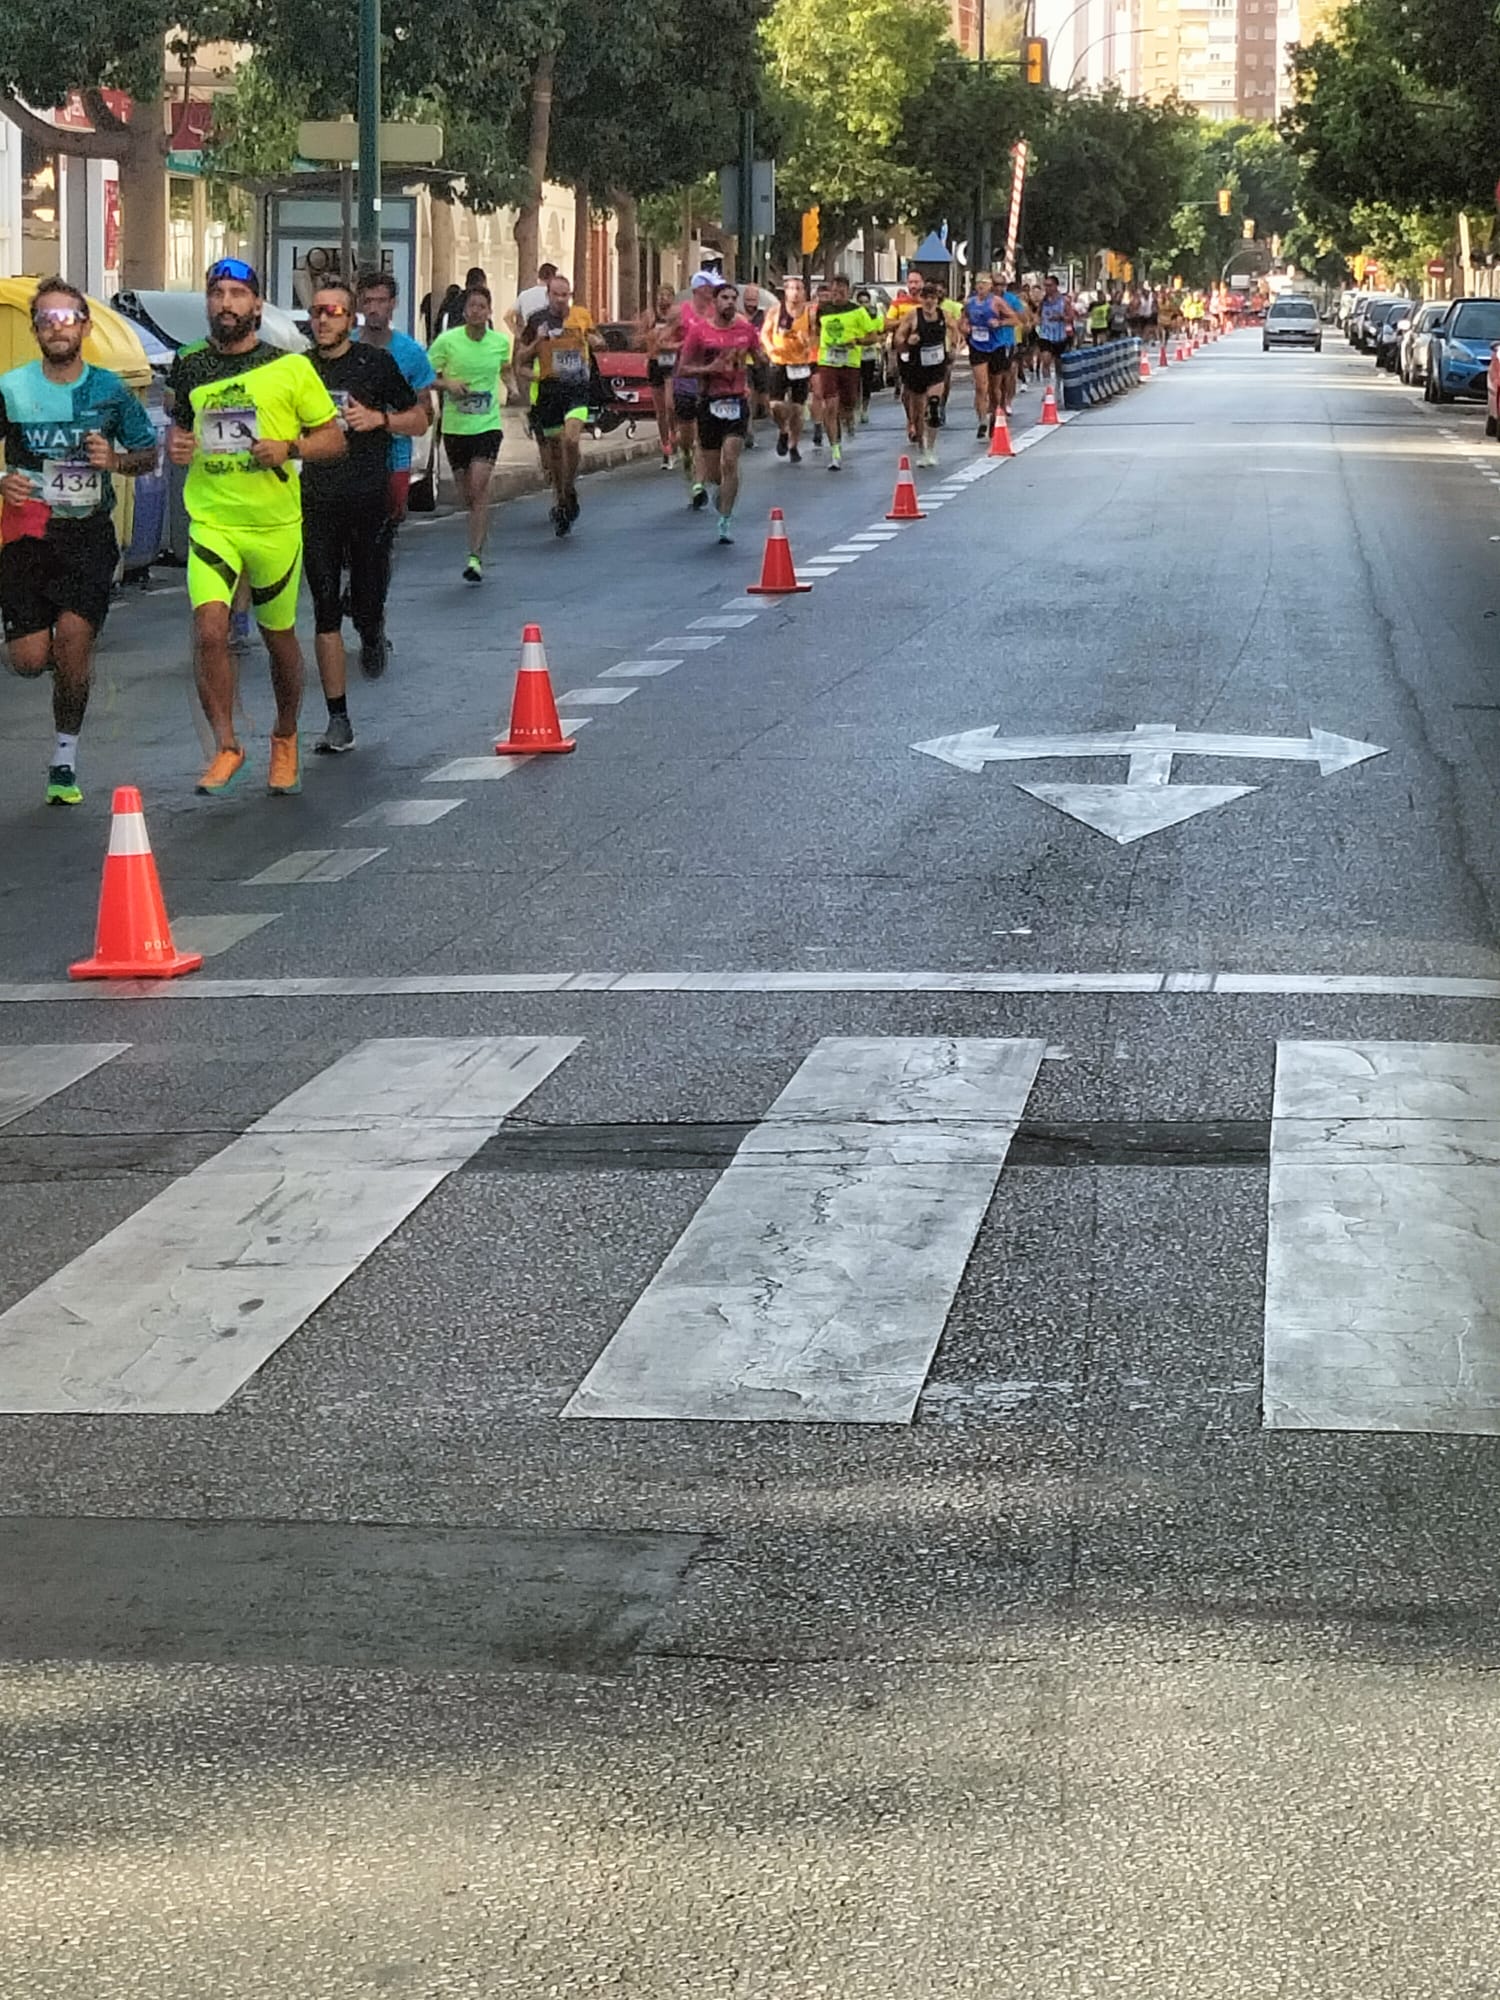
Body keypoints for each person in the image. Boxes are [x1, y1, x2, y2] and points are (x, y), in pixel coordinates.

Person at [166, 256, 343, 797]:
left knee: (278, 638)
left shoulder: (290, 367)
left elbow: (332, 440)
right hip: (213, 520)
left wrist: (288, 448)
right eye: (217, 293)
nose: (226, 303)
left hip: (273, 524)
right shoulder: (188, 363)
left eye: (237, 294)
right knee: (209, 630)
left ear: (257, 305)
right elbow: (178, 434)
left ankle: (285, 735)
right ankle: (226, 746)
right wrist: (177, 447)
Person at [0, 277, 158, 807]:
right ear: (36, 329)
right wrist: (2, 481)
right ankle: (39, 649)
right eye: (46, 319)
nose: (57, 328)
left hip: (87, 535)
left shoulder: (110, 392)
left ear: (85, 328)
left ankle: (64, 758)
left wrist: (113, 461)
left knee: (73, 642)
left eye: (67, 319)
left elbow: (147, 454)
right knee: (27, 660)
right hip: (27, 533)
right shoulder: (12, 388)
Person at [301, 278, 426, 754]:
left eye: (333, 311)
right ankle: (338, 719)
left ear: (349, 320)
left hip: (368, 497)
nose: (323, 319)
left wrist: (380, 421)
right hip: (316, 499)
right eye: (315, 312)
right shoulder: (299, 369)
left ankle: (372, 630)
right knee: (325, 607)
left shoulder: (375, 364)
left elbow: (419, 417)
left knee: (367, 599)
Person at [354, 268, 436, 612]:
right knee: (352, 537)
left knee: (383, 538)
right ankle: (359, 590)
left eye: (381, 301)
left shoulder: (410, 353)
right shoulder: (347, 347)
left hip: (394, 457)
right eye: (368, 301)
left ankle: (373, 605)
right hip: (348, 457)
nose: (374, 308)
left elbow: (425, 412)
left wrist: (388, 419)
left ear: (393, 305)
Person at [428, 283, 511, 582]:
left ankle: (475, 557)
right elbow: (425, 377)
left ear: (489, 312)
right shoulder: (447, 342)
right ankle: (479, 525)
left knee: (477, 487)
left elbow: (505, 368)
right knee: (468, 496)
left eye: (482, 307)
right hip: (455, 428)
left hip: (487, 425)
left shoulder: (500, 342)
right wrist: (447, 384)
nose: (476, 311)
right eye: (471, 306)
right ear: (464, 311)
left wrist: (515, 389)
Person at [515, 270, 602, 537]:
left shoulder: (582, 317)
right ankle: (562, 496)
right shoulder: (536, 321)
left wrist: (592, 340)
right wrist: (538, 352)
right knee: (553, 453)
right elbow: (520, 362)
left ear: (570, 296)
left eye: (566, 295)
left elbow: (600, 341)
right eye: (556, 295)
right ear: (548, 295)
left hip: (577, 389)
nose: (561, 300)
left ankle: (569, 485)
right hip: (549, 392)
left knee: (571, 439)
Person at [675, 279, 761, 544]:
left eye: (732, 298)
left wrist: (759, 360)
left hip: (736, 401)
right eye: (724, 298)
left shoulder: (745, 329)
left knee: (730, 460)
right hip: (710, 403)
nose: (730, 303)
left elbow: (759, 358)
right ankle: (719, 492)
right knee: (714, 472)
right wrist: (709, 369)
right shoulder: (700, 332)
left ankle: (725, 518)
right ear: (714, 303)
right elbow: (683, 368)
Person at [812, 274, 877, 472]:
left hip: (850, 362)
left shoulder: (857, 311)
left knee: (848, 403)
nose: (837, 294)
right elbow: (816, 331)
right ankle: (835, 451)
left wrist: (856, 342)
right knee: (830, 405)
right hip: (828, 362)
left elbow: (872, 336)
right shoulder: (822, 310)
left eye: (842, 291)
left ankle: (849, 418)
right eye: (834, 290)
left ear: (848, 292)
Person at [893, 282, 952, 467]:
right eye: (925, 298)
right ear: (921, 299)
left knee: (934, 407)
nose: (929, 302)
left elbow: (956, 331)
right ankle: (922, 447)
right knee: (918, 413)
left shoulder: (944, 315)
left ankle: (931, 449)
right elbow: (898, 338)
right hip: (916, 367)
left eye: (932, 298)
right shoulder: (913, 315)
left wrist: (955, 347)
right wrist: (908, 340)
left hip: (936, 368)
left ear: (937, 300)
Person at [672, 272, 717, 507]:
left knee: (702, 436)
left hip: (708, 382)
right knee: (687, 436)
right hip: (685, 380)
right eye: (710, 288)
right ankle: (686, 455)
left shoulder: (717, 313)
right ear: (699, 289)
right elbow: (660, 342)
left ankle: (698, 486)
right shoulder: (681, 313)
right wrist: (682, 344)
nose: (713, 293)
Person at [961, 273, 1020, 438]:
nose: (980, 286)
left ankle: (995, 414)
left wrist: (1000, 323)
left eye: (984, 284)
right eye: (978, 283)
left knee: (995, 389)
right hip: (977, 346)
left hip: (996, 346)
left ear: (990, 286)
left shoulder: (997, 302)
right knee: (981, 386)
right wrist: (964, 327)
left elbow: (1015, 320)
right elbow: (963, 320)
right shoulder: (970, 303)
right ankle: (982, 421)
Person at [763, 275, 815, 463]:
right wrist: (769, 348)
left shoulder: (809, 313)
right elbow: (765, 334)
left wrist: (807, 342)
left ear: (804, 292)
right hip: (779, 361)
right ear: (785, 292)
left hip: (800, 364)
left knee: (797, 408)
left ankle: (794, 444)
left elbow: (816, 337)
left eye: (799, 288)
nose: (795, 292)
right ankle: (783, 431)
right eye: (791, 288)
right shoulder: (775, 311)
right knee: (775, 406)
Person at [638, 283, 681, 469]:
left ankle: (675, 435)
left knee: (670, 405)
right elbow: (638, 339)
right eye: (660, 295)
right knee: (660, 411)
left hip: (671, 363)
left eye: (667, 295)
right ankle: (666, 448)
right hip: (656, 362)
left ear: (673, 298)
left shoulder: (677, 315)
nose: (663, 299)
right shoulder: (650, 316)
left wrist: (673, 345)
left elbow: (685, 337)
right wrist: (649, 335)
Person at [739, 280, 778, 445]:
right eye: (748, 300)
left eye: (753, 300)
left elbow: (771, 336)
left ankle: (781, 428)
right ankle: (748, 431)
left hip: (761, 360)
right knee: (748, 396)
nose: (750, 304)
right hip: (744, 361)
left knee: (763, 398)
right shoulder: (739, 317)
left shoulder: (764, 316)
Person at [1037, 274, 1074, 388]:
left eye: (1050, 285)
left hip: (1060, 335)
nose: (1047, 288)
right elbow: (1037, 315)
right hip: (1045, 334)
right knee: (1046, 360)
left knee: (1059, 363)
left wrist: (1061, 317)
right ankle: (1047, 387)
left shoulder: (1064, 300)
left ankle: (1058, 384)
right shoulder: (1043, 301)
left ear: (1056, 286)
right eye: (1045, 286)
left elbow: (1071, 317)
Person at [510, 261, 558, 334]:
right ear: (552, 278)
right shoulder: (554, 295)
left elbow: (507, 317)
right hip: (550, 339)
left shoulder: (524, 295)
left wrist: (518, 335)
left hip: (530, 338)